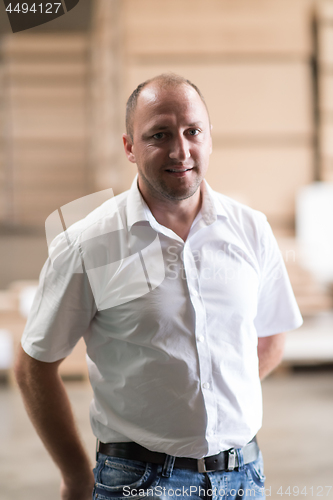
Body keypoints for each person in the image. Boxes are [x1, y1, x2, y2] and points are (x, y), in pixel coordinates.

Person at [15, 73, 303, 500]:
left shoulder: (251, 230)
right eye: (159, 135)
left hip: (243, 476)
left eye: (192, 132)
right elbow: (33, 366)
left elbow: (271, 338)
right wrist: (76, 474)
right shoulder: (87, 244)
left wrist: (211, 405)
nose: (180, 150)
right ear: (129, 147)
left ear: (209, 138)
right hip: (139, 481)